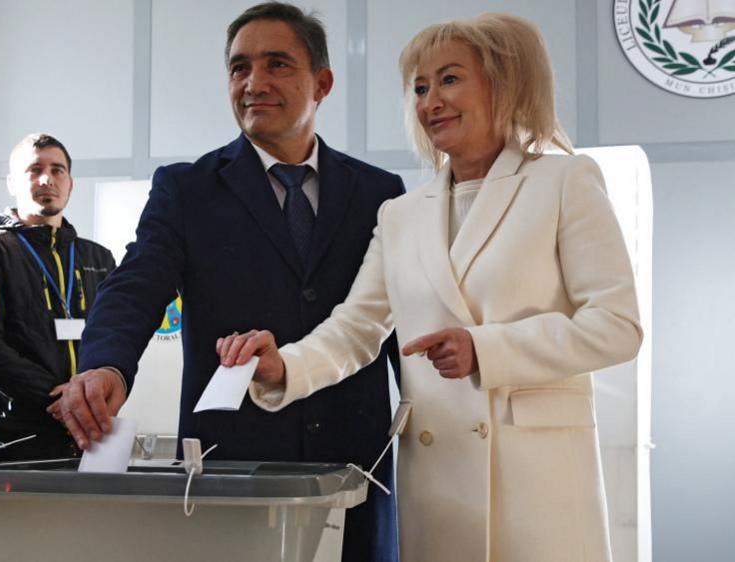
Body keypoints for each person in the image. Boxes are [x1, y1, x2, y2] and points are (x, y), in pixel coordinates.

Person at [216, 13, 643, 562]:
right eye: (419, 87)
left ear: (505, 82)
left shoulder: (565, 183)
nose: (430, 101)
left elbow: (617, 327)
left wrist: (486, 349)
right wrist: (285, 367)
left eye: (449, 79)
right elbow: (356, 328)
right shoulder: (400, 214)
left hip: (538, 480)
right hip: (439, 480)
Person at [54, 3, 404, 560]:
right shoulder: (187, 190)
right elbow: (137, 282)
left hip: (355, 468)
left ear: (323, 82)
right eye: (240, 67)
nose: (254, 83)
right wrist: (108, 363)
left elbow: (396, 322)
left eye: (277, 65)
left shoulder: (379, 193)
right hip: (231, 472)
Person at [0, 133, 116, 463]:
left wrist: (87, 397)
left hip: (90, 432)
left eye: (58, 170)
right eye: (34, 169)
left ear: (71, 184)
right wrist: (57, 398)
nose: (47, 179)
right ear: (12, 182)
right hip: (15, 434)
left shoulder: (98, 258)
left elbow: (114, 336)